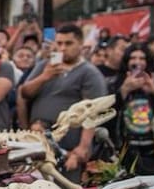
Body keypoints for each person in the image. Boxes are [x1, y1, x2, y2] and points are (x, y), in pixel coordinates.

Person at [18, 24, 108, 178]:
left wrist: (83, 147)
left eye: (68, 43)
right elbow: (24, 93)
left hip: (67, 148)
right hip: (37, 141)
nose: (63, 48)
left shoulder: (89, 73)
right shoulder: (44, 66)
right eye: (59, 43)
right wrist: (44, 77)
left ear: (80, 44)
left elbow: (92, 113)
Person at [109, 43, 154, 176]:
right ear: (127, 61)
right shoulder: (116, 81)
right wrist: (123, 91)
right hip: (127, 148)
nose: (137, 62)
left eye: (142, 58)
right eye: (133, 58)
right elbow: (105, 111)